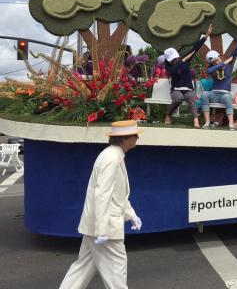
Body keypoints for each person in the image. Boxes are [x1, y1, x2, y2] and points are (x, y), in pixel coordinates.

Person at [59, 120, 143, 289]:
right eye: (135, 135)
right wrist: (102, 230)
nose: (137, 138)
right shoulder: (111, 158)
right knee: (116, 272)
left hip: (97, 225)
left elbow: (116, 194)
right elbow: (102, 195)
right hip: (106, 228)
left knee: (82, 269)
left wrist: (131, 215)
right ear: (125, 138)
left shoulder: (113, 155)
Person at [200, 29, 237, 129]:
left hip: (225, 94)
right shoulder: (212, 69)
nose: (217, 60)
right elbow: (208, 71)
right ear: (211, 62)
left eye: (217, 58)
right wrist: (223, 63)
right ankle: (207, 122)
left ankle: (230, 123)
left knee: (227, 97)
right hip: (214, 94)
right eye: (214, 60)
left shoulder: (228, 66)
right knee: (204, 94)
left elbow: (236, 50)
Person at [163, 24, 213, 127]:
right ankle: (168, 115)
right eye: (172, 60)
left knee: (192, 97)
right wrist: (183, 61)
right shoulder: (169, 67)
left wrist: (206, 36)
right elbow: (174, 70)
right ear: (169, 60)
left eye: (176, 58)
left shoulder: (184, 59)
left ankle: (196, 119)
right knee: (178, 98)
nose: (175, 60)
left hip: (188, 89)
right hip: (176, 90)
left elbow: (195, 48)